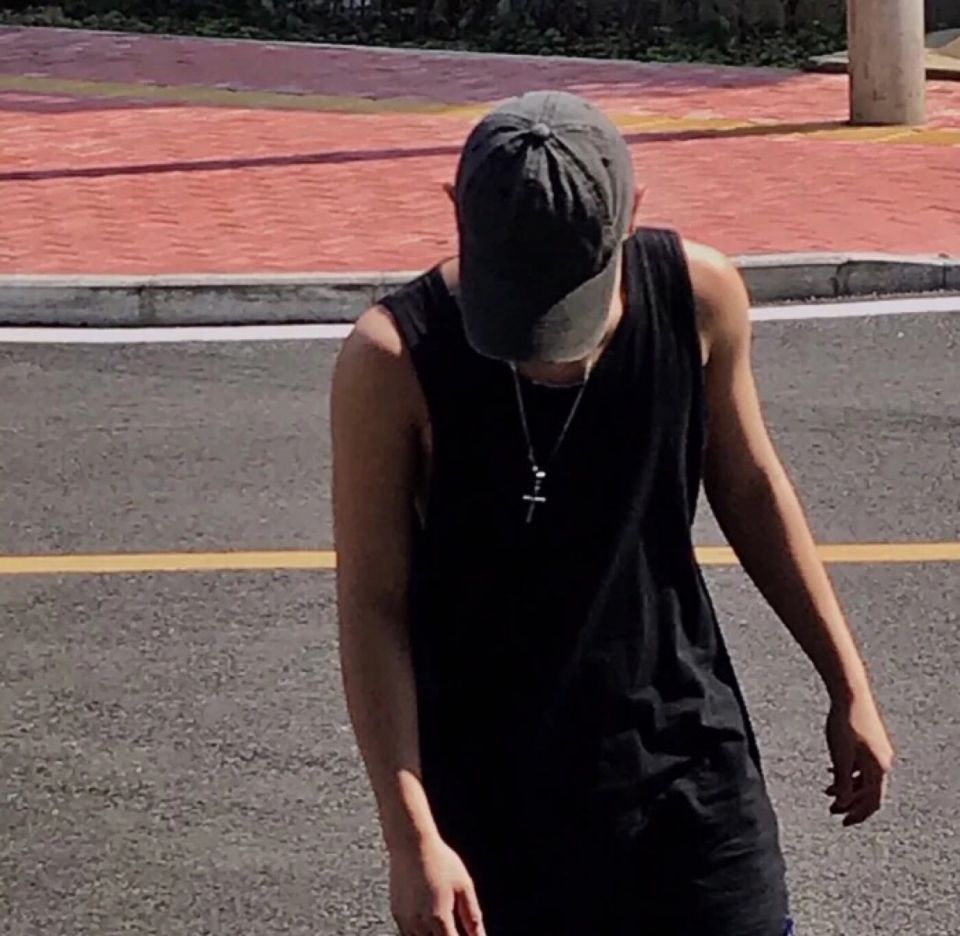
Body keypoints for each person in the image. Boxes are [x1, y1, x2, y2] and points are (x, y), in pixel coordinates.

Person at [331, 90, 894, 936]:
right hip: (490, 801)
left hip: (689, 767)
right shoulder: (393, 361)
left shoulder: (699, 298)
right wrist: (410, 836)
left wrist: (847, 684)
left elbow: (752, 486)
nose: (546, 351)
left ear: (632, 214)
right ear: (454, 212)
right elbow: (374, 604)